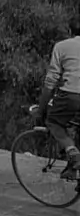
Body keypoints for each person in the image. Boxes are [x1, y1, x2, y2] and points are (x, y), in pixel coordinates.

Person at [36, 16, 80, 179]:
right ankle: (72, 169)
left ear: (70, 31)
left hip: (71, 95)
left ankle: (73, 154)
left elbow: (50, 82)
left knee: (53, 122)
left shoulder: (62, 47)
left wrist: (41, 110)